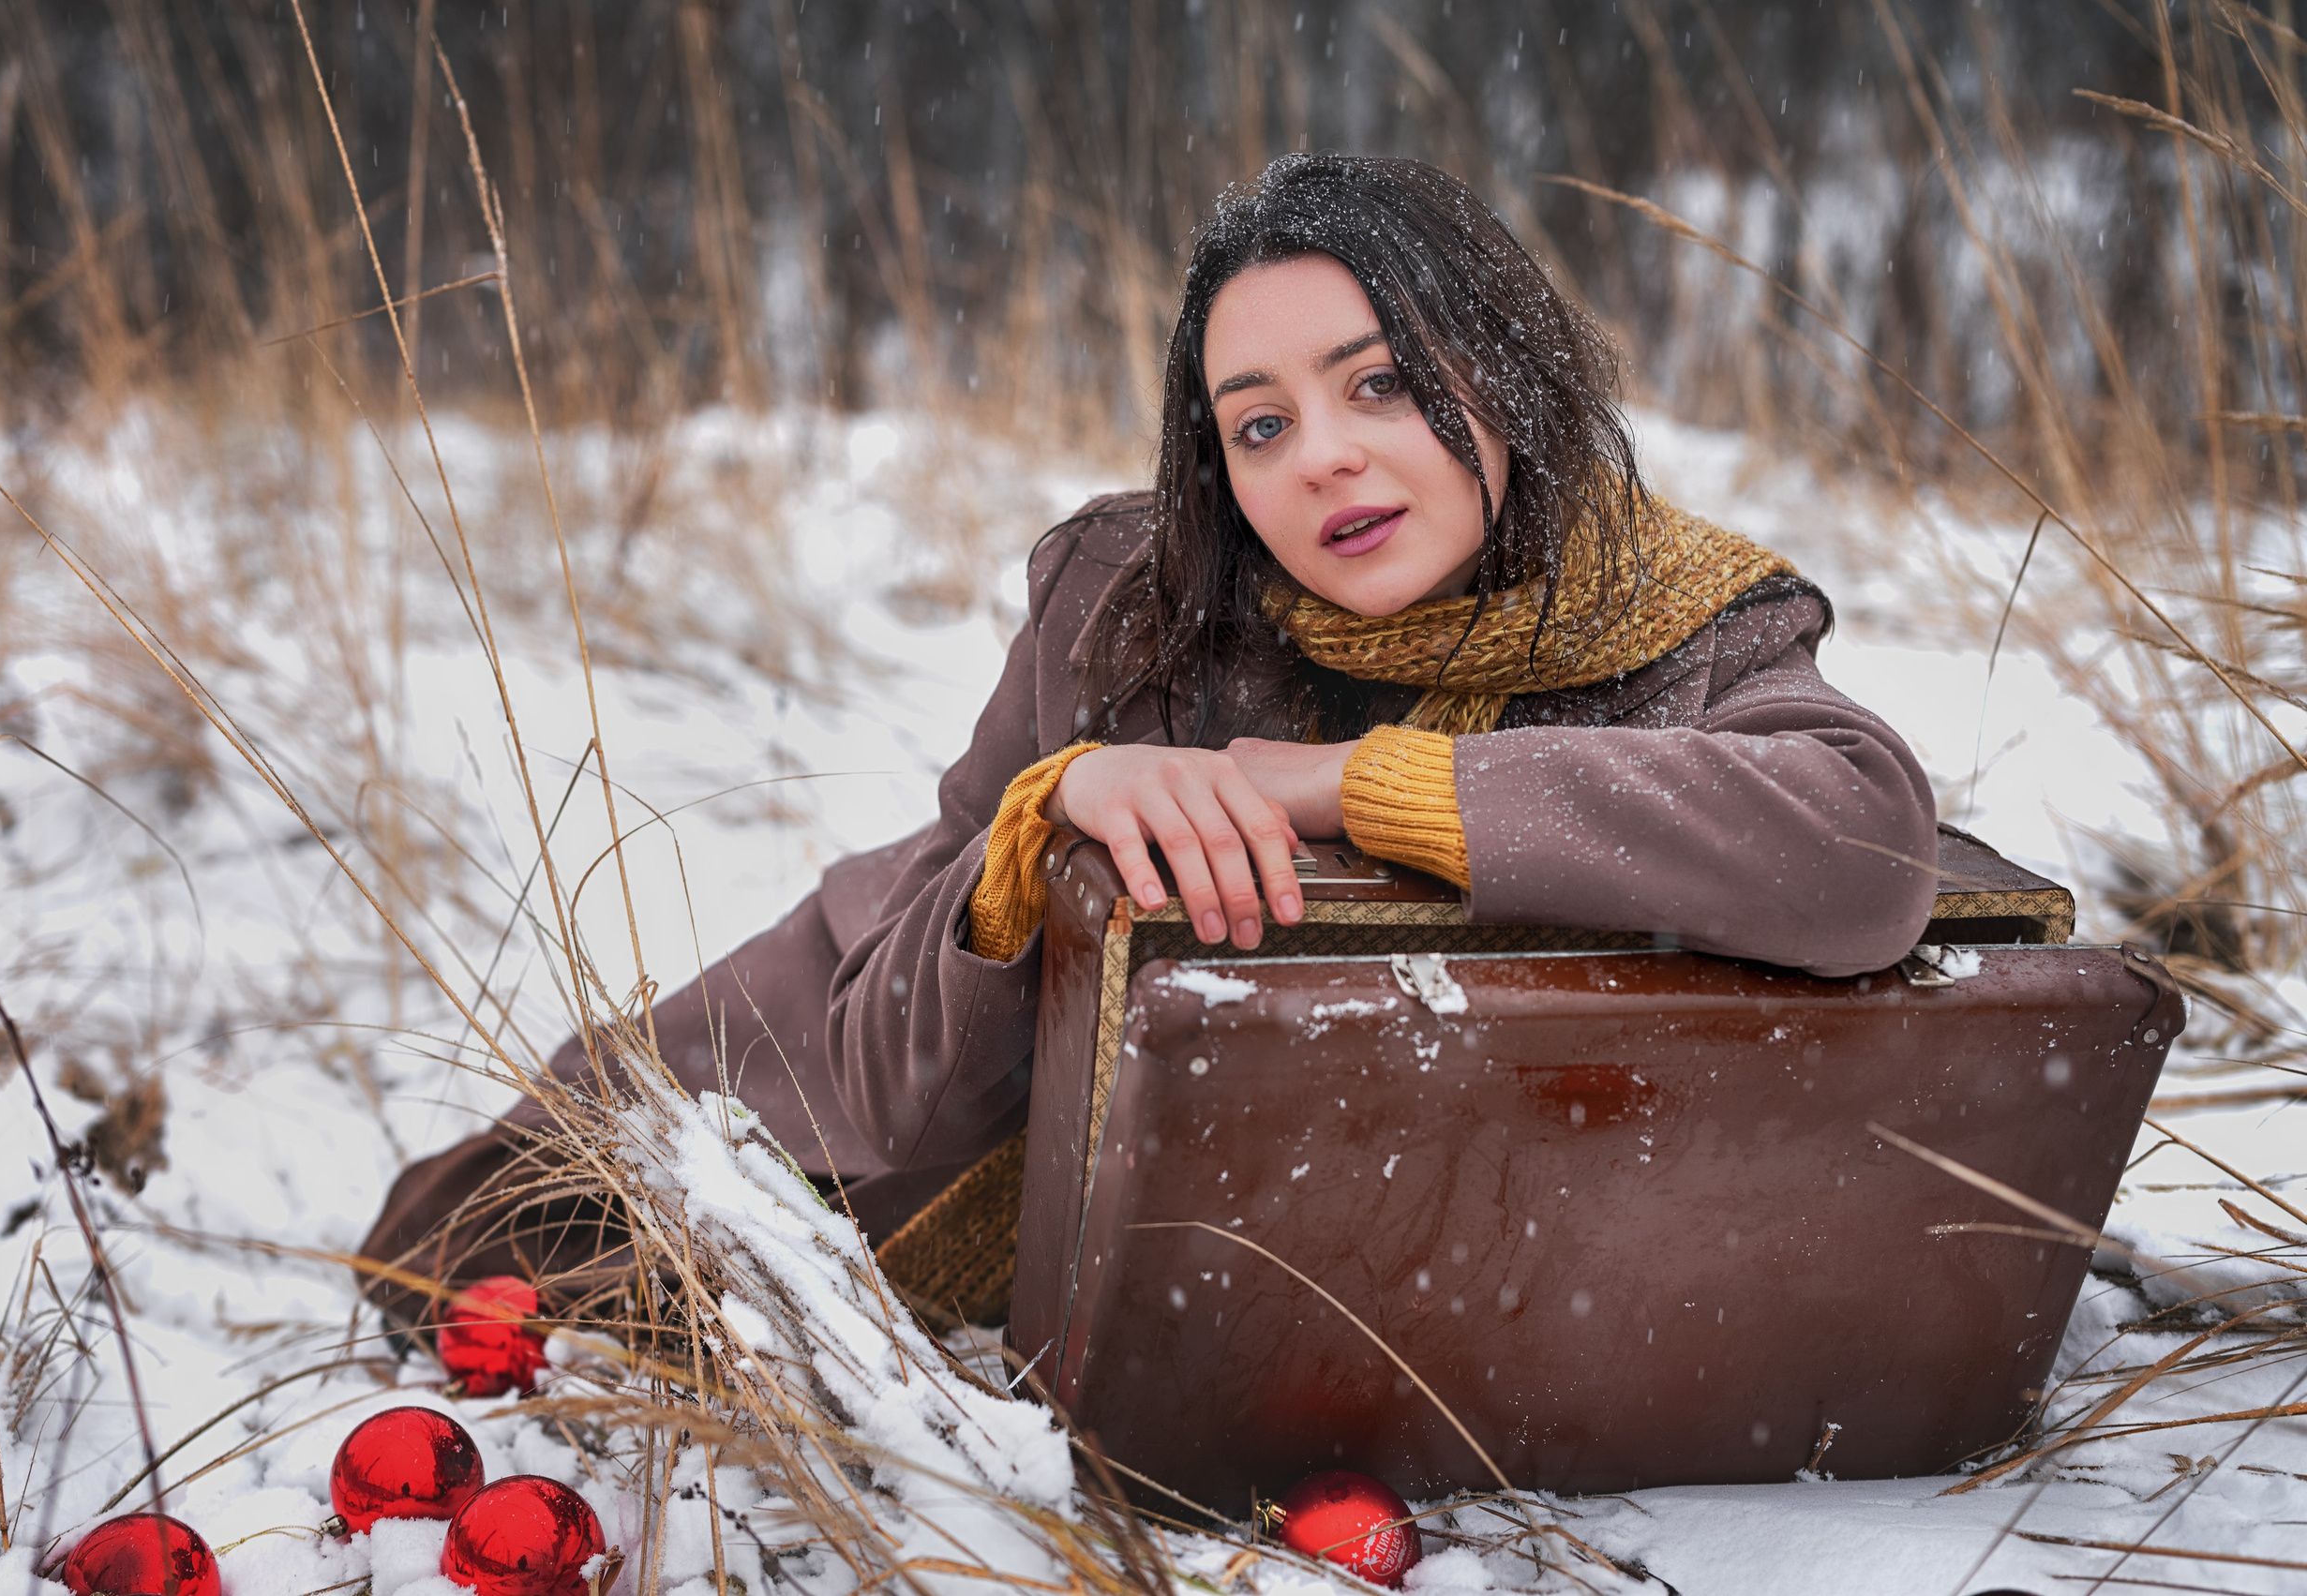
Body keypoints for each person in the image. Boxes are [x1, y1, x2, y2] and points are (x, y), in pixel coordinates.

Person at [358, 154, 1936, 1328]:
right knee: (479, 1262)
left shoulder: (1667, 616)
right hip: (836, 1086)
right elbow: (898, 1087)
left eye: (1381, 384)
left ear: (1504, 376)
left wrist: (1359, 789)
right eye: (1259, 423)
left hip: (1239, 1251)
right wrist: (1050, 823)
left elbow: (1860, 850)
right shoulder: (1132, 598)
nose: (1324, 459)